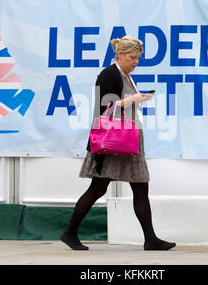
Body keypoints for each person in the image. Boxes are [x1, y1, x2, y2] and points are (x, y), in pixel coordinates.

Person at [60, 35, 176, 251]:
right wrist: (134, 99)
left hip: (126, 140)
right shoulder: (108, 75)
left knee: (139, 186)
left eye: (138, 58)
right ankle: (70, 232)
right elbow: (104, 109)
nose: (135, 62)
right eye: (132, 57)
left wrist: (136, 98)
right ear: (120, 54)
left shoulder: (124, 75)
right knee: (99, 188)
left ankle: (150, 238)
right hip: (114, 142)